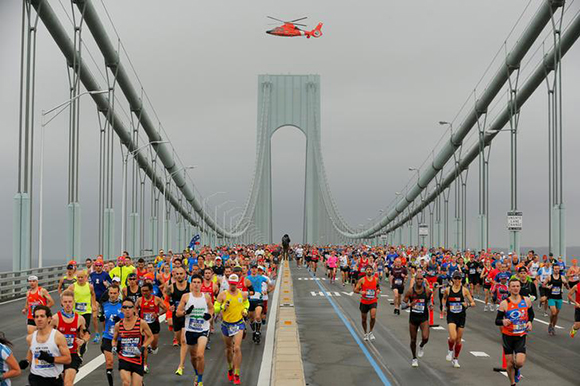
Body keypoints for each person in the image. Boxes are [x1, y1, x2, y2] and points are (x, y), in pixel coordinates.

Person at [176, 274, 213, 386]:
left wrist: (209, 316)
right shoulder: (186, 297)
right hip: (190, 330)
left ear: (201, 284)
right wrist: (185, 312)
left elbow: (211, 308)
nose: (196, 285)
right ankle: (197, 373)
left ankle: (200, 380)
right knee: (193, 357)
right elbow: (177, 313)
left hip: (203, 329)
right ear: (191, 284)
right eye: (194, 282)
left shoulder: (206, 297)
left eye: (198, 282)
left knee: (200, 355)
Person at [495, 278, 534, 386]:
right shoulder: (504, 303)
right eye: (513, 286)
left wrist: (530, 322)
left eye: (517, 286)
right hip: (508, 336)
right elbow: (497, 321)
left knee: (519, 362)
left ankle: (517, 370)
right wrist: (503, 321)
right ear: (509, 288)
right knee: (509, 363)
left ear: (520, 287)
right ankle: (512, 383)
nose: (515, 288)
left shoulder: (526, 300)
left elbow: (531, 314)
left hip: (520, 335)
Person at [21, 305, 71, 386]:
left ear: (49, 319)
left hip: (53, 380)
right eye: (36, 317)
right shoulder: (30, 338)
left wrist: (50, 358)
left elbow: (68, 359)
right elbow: (32, 351)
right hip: (36, 378)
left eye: (42, 316)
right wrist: (27, 361)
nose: (39, 319)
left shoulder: (58, 337)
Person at [214, 274, 249, 385]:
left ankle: (237, 374)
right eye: (231, 284)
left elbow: (246, 303)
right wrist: (222, 307)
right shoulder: (222, 295)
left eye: (235, 284)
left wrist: (245, 310)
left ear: (238, 283)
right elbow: (215, 308)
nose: (233, 286)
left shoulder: (242, 294)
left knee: (237, 348)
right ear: (228, 283)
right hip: (226, 325)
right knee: (229, 348)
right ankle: (230, 368)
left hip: (238, 324)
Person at [51, 291, 89, 386]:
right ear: (61, 303)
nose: (68, 304)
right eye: (65, 302)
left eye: (70, 302)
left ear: (74, 302)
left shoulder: (80, 319)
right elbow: (47, 335)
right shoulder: (55, 318)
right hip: (58, 355)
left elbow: (87, 333)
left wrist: (83, 340)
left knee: (68, 383)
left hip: (73, 355)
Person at [112, 298, 153, 386]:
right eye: (125, 307)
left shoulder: (141, 323)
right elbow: (114, 339)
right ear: (122, 309)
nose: (127, 309)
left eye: (130, 307)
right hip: (124, 358)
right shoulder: (118, 325)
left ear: (134, 309)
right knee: (126, 383)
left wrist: (143, 347)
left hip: (137, 360)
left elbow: (151, 337)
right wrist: (114, 346)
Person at [442, 271, 475, 368]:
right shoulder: (448, 290)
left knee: (458, 340)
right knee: (453, 337)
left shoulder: (464, 290)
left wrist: (468, 304)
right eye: (455, 278)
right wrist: (444, 307)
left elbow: (473, 303)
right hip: (451, 316)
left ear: (461, 280)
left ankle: (455, 359)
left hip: (461, 316)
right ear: (452, 279)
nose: (457, 280)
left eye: (459, 278)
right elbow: (444, 298)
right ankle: (450, 350)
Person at [135, 283, 166, 373]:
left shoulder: (156, 299)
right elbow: (135, 308)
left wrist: (157, 314)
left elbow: (165, 309)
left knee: (154, 346)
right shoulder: (140, 300)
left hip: (154, 324)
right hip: (144, 325)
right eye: (142, 291)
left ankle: (153, 347)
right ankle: (144, 365)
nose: (144, 293)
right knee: (144, 345)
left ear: (151, 291)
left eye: (146, 291)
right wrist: (136, 314)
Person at [403, 272, 431, 368]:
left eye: (421, 279)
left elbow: (429, 300)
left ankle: (422, 345)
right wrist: (409, 305)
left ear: (423, 280)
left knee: (425, 337)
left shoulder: (427, 291)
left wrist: (430, 304)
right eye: (418, 279)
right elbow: (402, 305)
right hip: (413, 318)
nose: (419, 280)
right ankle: (414, 358)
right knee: (413, 340)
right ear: (415, 280)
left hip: (423, 317)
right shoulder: (410, 291)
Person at [166, 267, 189, 375]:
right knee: (179, 340)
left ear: (185, 274)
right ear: (174, 275)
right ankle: (182, 350)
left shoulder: (190, 286)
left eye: (181, 273)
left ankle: (181, 366)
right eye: (177, 274)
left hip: (187, 315)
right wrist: (170, 307)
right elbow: (167, 300)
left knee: (184, 340)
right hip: (176, 316)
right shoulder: (171, 287)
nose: (179, 276)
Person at [100, 285, 123, 386]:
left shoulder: (124, 305)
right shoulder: (104, 305)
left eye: (115, 293)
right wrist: (101, 318)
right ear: (108, 293)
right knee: (109, 362)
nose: (112, 295)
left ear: (118, 293)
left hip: (122, 338)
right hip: (108, 337)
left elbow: (131, 319)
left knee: (125, 364)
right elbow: (104, 320)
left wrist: (121, 321)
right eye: (111, 293)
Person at [66, 271, 97, 336]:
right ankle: (78, 343)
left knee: (84, 329)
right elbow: (65, 295)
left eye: (81, 277)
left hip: (86, 311)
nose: (80, 279)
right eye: (78, 277)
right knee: (76, 330)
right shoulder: (72, 286)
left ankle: (84, 344)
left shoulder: (90, 286)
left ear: (85, 277)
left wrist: (93, 304)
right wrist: (66, 305)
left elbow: (93, 294)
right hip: (75, 312)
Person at [246, 265, 271, 344]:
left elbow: (271, 284)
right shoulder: (247, 278)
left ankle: (257, 332)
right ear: (250, 269)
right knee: (251, 318)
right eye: (252, 268)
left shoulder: (261, 277)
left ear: (257, 269)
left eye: (255, 268)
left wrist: (268, 291)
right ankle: (254, 331)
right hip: (250, 300)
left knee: (257, 316)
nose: (254, 270)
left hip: (259, 300)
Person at [354, 265, 380, 341]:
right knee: (363, 319)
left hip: (373, 300)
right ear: (365, 271)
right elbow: (355, 290)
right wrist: (360, 292)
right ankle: (365, 333)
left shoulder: (376, 279)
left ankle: (370, 332)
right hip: (364, 301)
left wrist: (378, 290)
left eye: (370, 270)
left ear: (372, 271)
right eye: (367, 269)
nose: (369, 271)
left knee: (373, 317)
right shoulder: (362, 280)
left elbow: (378, 287)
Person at [90, 260, 111, 343]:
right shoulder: (92, 275)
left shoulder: (105, 274)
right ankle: (97, 334)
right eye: (97, 266)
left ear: (102, 266)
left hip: (104, 297)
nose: (98, 267)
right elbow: (89, 284)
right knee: (94, 316)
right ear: (95, 266)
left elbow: (112, 284)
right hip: (95, 297)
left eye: (99, 266)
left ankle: (105, 332)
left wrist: (107, 285)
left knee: (104, 316)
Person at [543, 263, 567, 335]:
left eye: (558, 269)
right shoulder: (549, 277)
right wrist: (547, 287)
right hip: (551, 298)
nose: (557, 270)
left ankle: (553, 326)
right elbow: (543, 284)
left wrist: (566, 283)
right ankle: (550, 323)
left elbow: (567, 285)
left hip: (559, 298)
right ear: (553, 269)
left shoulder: (562, 277)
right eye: (555, 269)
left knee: (556, 314)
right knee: (553, 312)